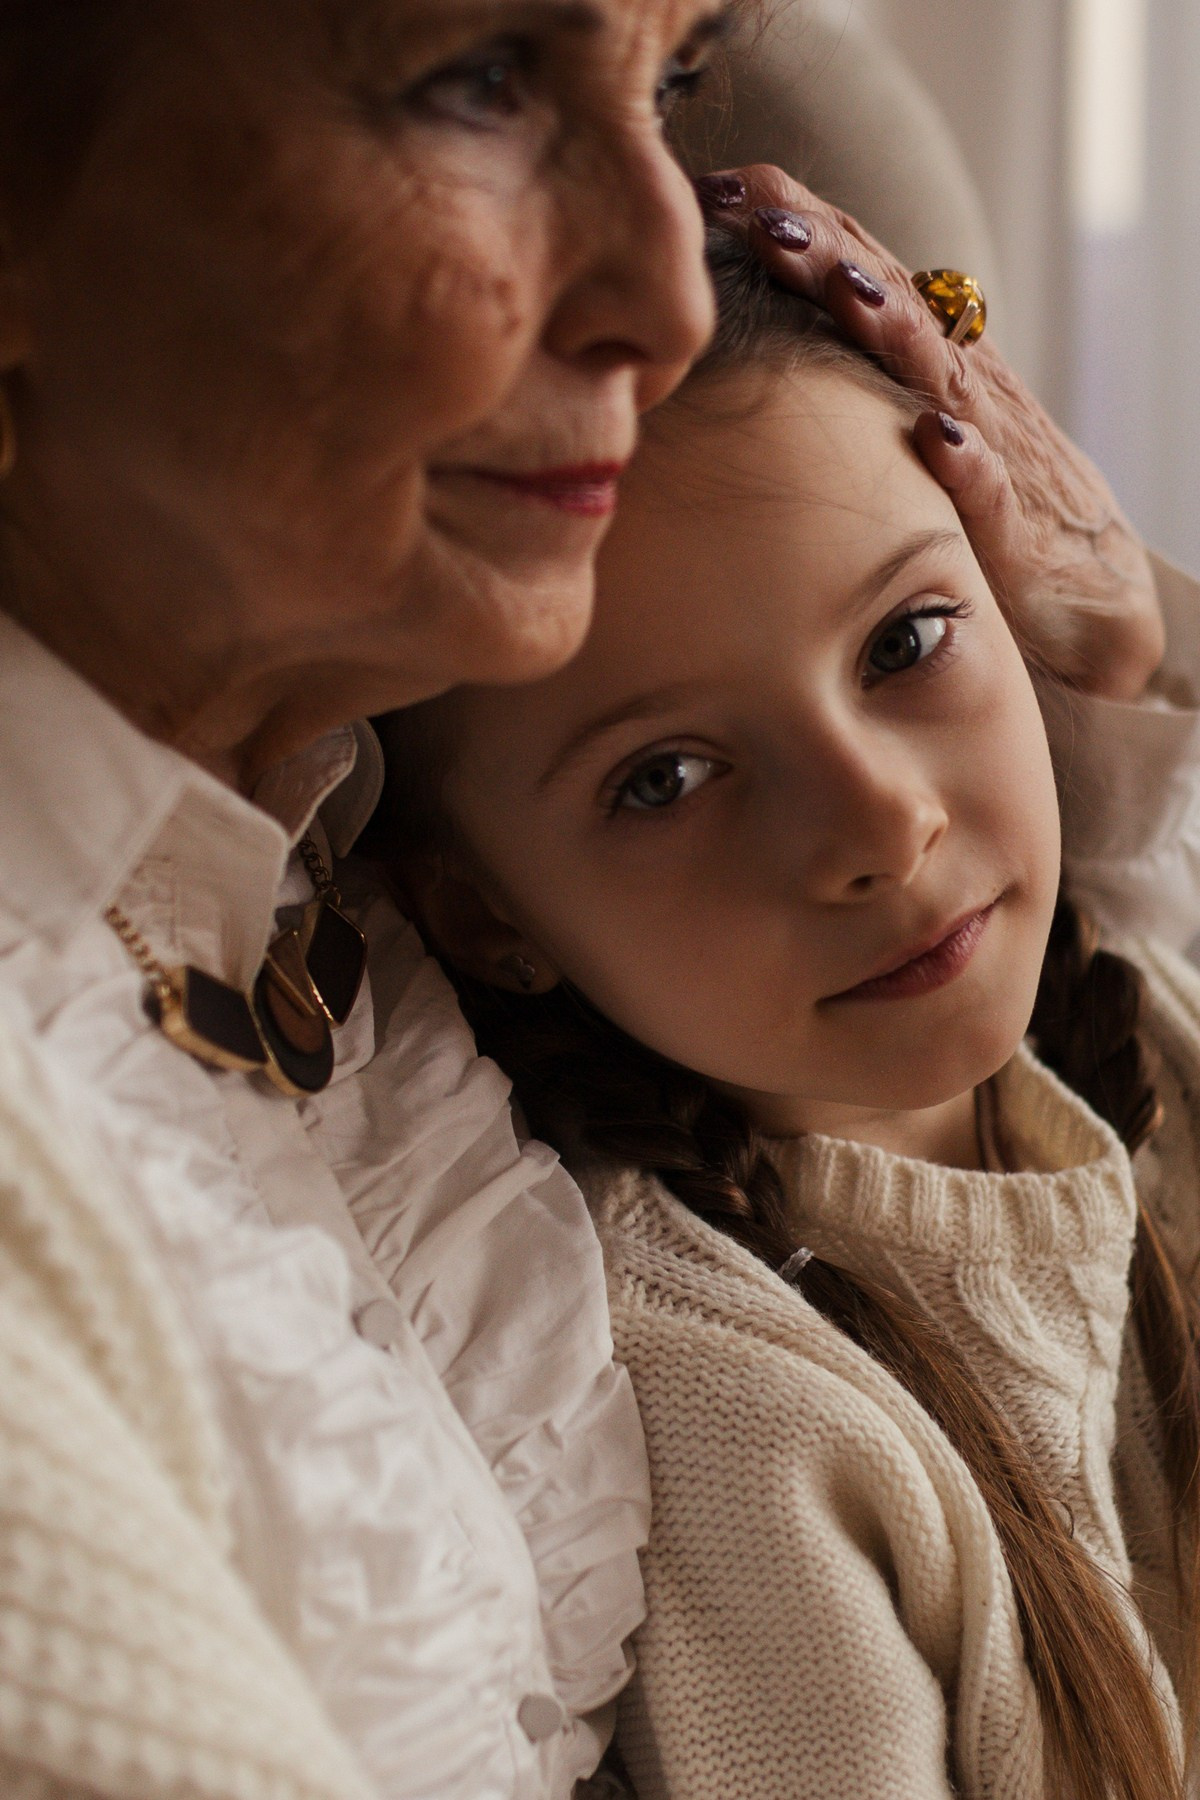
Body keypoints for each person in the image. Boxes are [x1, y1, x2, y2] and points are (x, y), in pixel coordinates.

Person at [0, 4, 1194, 1797]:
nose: (668, 281)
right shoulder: (743, 1388)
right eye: (474, 81)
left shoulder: (355, 835)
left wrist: (1133, 635)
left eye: (669, 82)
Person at [373, 231, 1200, 1800]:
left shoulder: (1137, 1038)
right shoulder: (730, 1407)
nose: (881, 828)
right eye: (666, 779)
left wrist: (1139, 650)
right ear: (482, 914)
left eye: (907, 641)